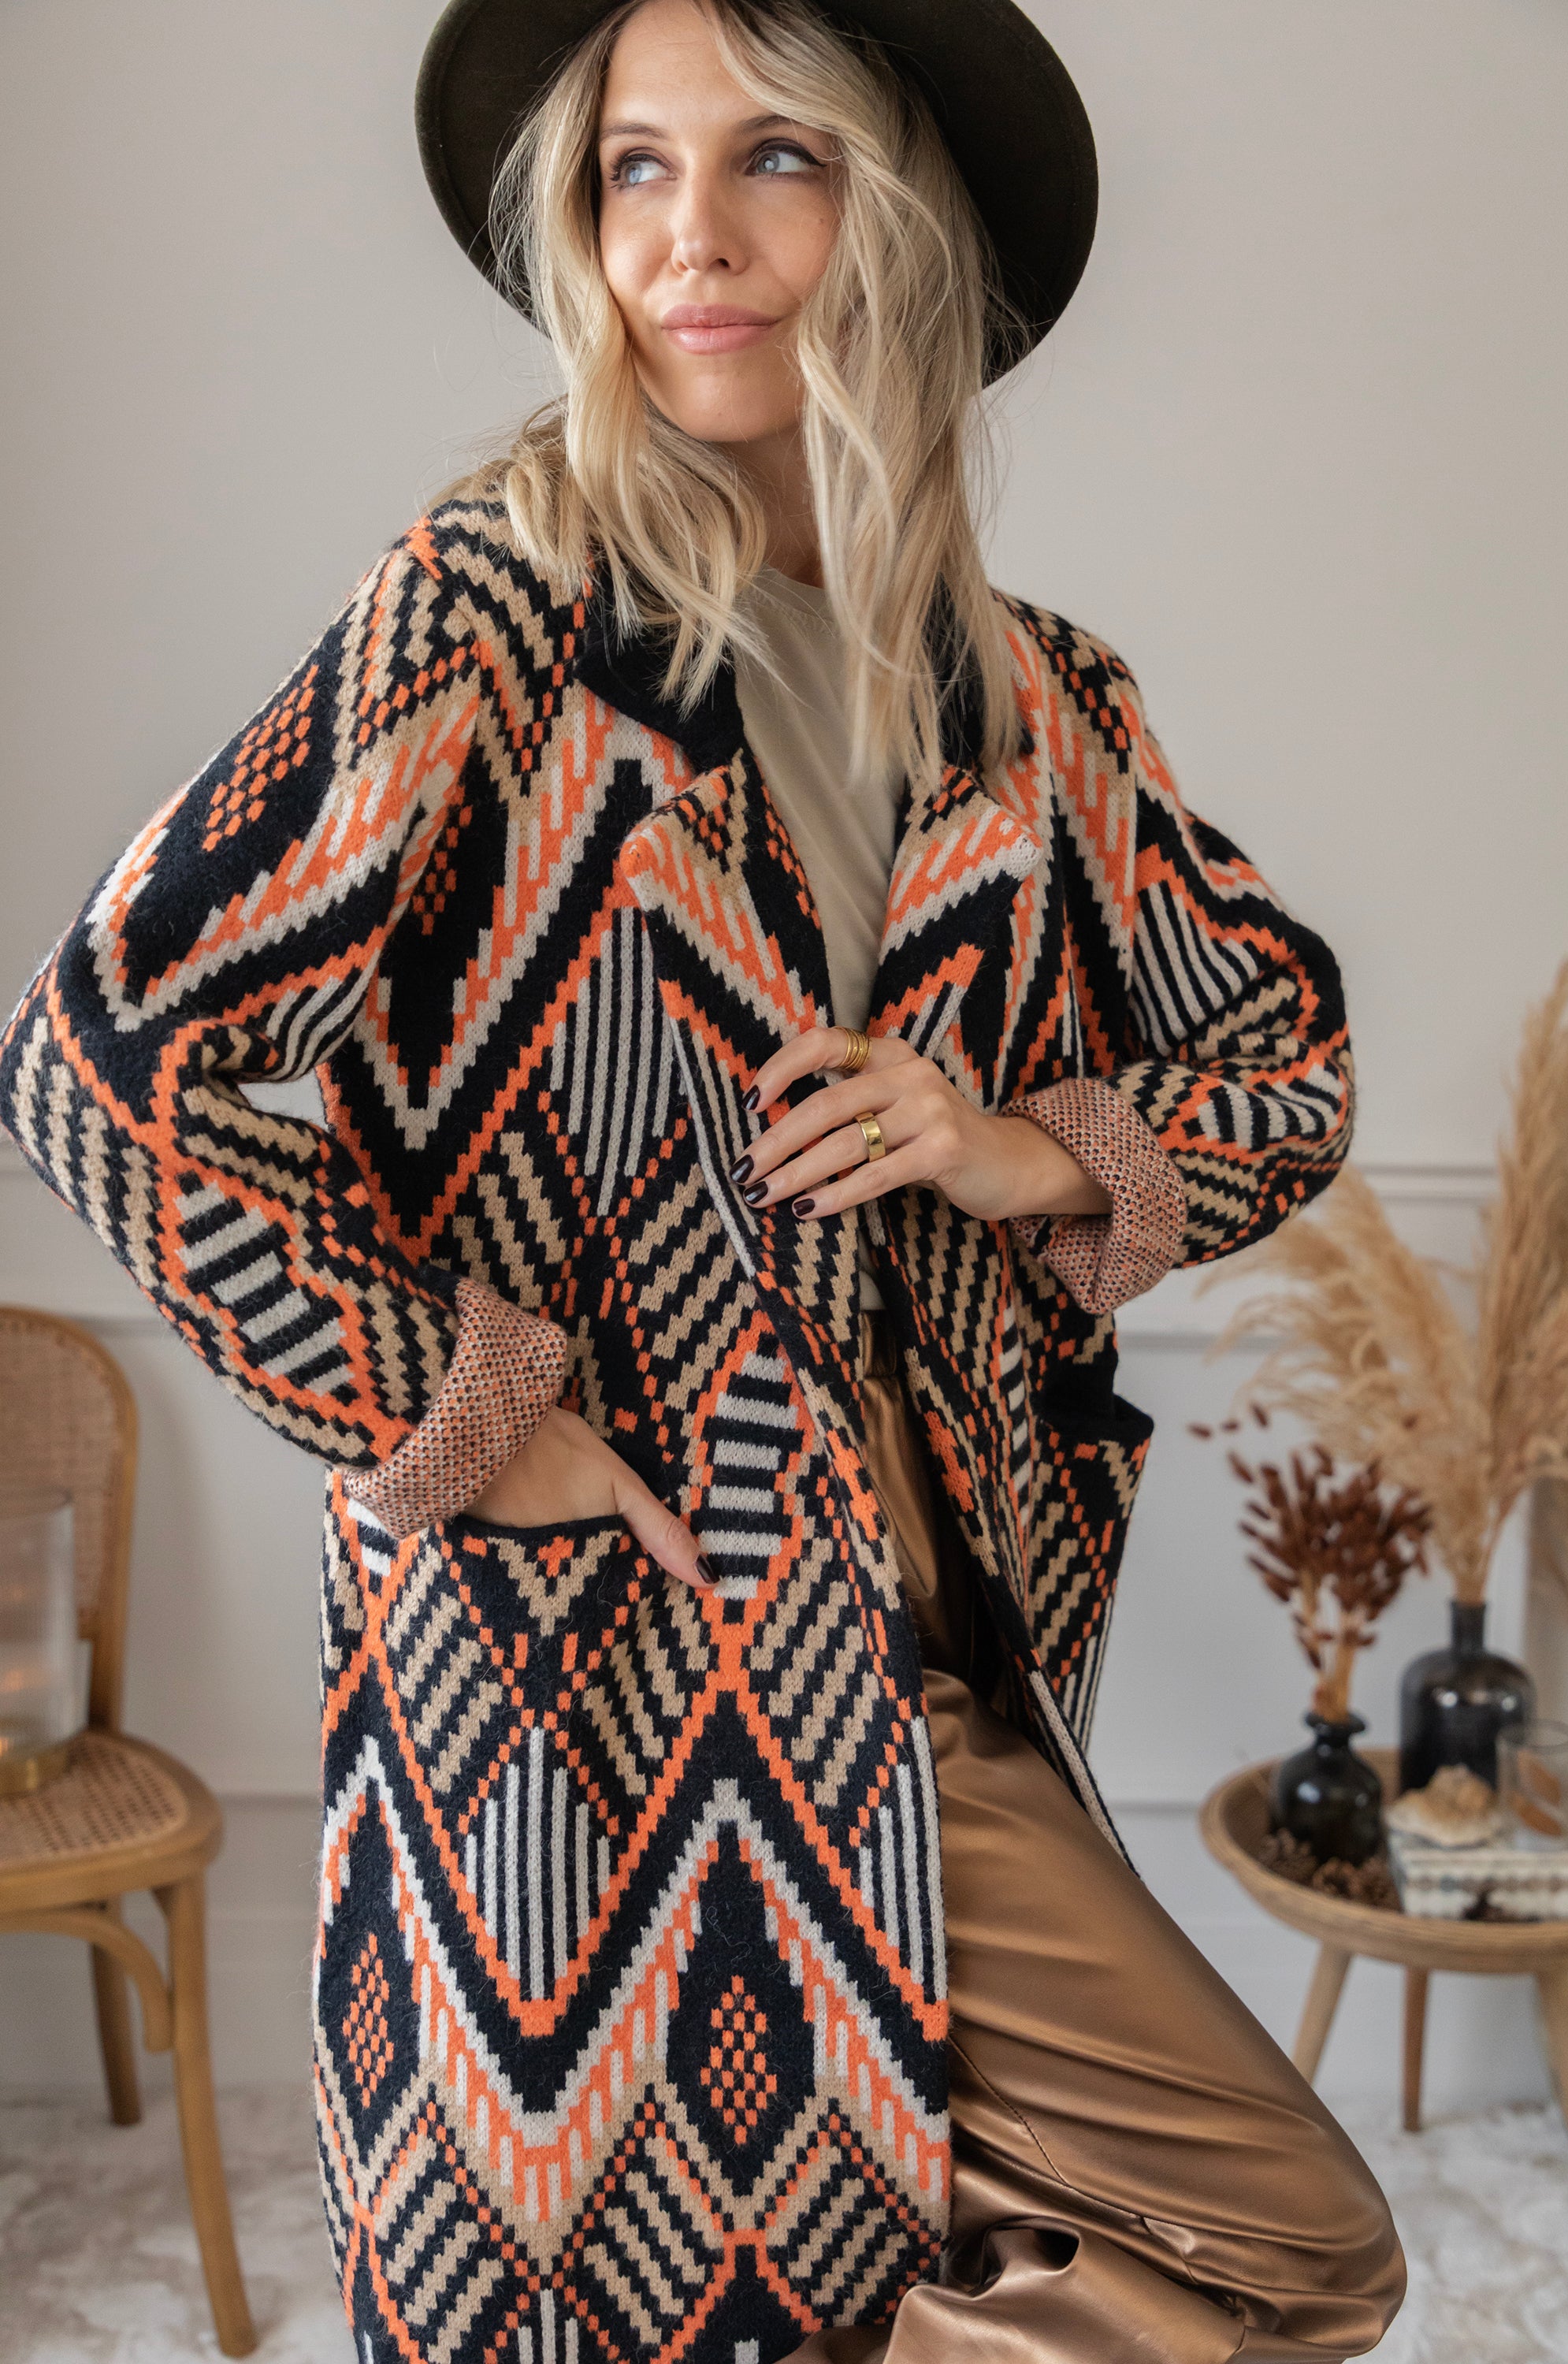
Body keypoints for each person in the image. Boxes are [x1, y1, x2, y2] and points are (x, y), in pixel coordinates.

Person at [0, 2, 1406, 2358]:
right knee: (583, 2295)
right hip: (597, 1666)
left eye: (777, 157)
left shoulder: (1038, 702)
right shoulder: (491, 615)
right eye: (632, 169)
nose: (693, 238)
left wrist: (1018, 1148)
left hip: (926, 1658)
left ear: (900, 212)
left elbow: (1288, 1056)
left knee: (1253, 2254)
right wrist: (469, 1416)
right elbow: (104, 1059)